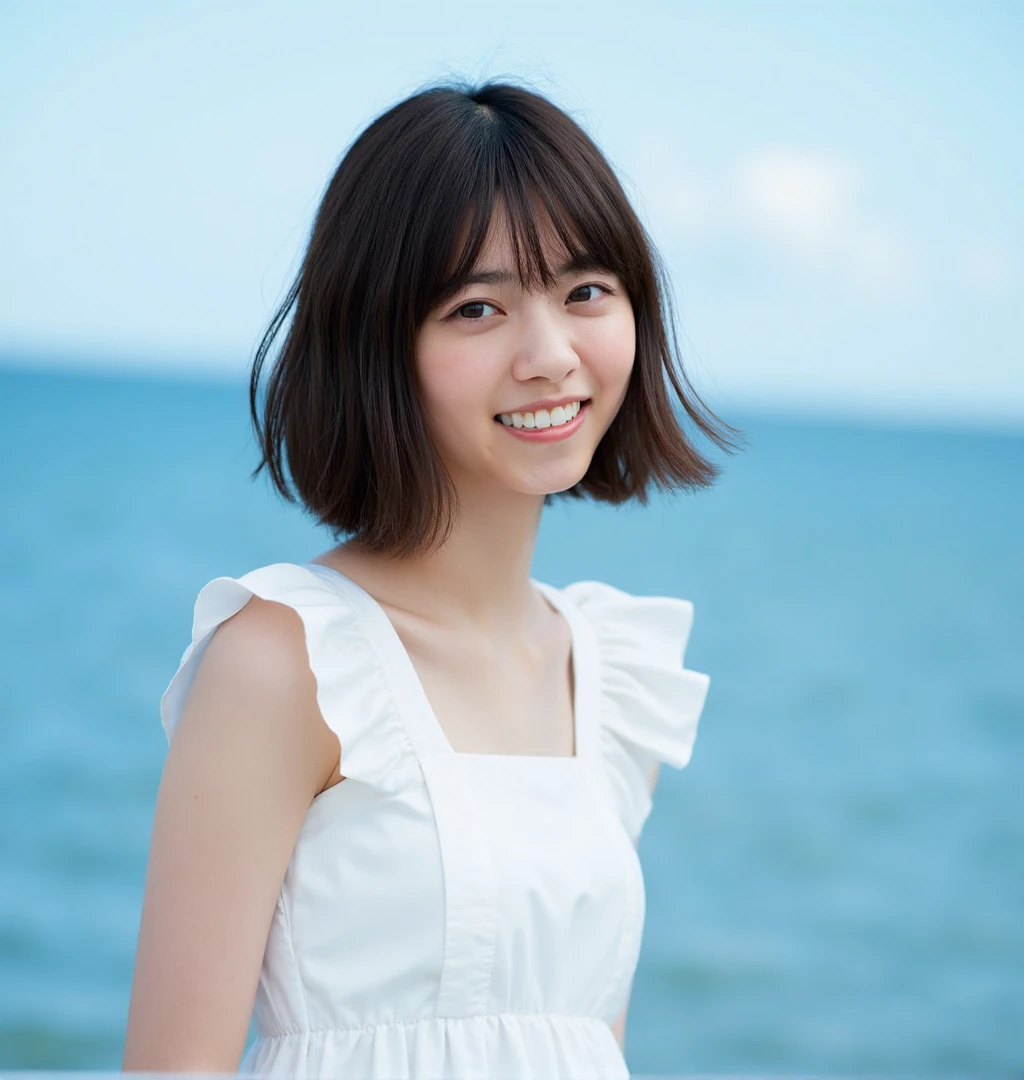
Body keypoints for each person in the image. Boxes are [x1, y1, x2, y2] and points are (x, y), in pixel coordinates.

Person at [123, 77, 743, 1079]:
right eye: (477, 307)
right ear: (378, 344)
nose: (549, 356)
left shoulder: (609, 672)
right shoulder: (287, 660)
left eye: (586, 292)